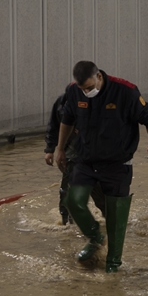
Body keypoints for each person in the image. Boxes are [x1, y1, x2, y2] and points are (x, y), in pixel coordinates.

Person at [53, 61, 148, 272]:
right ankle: (96, 237)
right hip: (87, 159)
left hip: (117, 163)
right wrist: (59, 148)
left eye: (89, 87)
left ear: (99, 77)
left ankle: (113, 264)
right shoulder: (73, 91)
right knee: (73, 200)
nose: (86, 92)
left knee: (115, 216)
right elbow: (67, 119)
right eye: (82, 89)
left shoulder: (126, 91)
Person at [44, 89, 106, 225]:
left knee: (99, 190)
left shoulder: (96, 101)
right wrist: (50, 149)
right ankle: (67, 224)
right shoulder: (61, 102)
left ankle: (111, 218)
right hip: (71, 151)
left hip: (93, 152)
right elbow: (53, 125)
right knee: (66, 189)